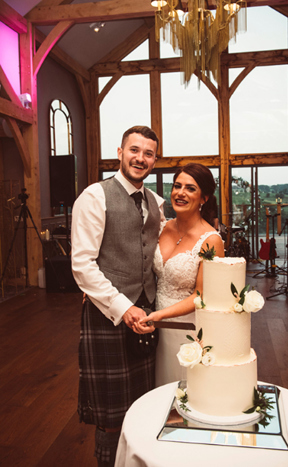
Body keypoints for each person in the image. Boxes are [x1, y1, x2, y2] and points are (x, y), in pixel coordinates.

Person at [71, 126, 164, 466]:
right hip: (107, 314)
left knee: (144, 403)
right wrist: (125, 308)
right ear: (120, 152)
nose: (141, 158)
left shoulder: (157, 202)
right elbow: (82, 265)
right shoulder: (95, 196)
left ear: (155, 159)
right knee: (111, 415)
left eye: (148, 153)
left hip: (148, 314)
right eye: (134, 150)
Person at [138, 163, 225, 386]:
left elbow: (203, 295)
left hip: (186, 326)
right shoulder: (162, 227)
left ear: (204, 198)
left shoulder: (211, 240)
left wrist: (160, 315)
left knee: (183, 387)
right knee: (159, 387)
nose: (180, 193)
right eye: (177, 186)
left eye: (190, 188)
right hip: (155, 325)